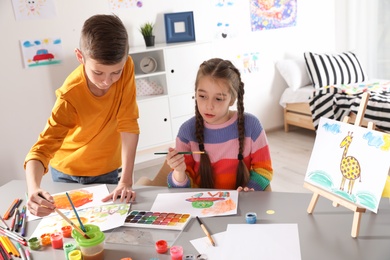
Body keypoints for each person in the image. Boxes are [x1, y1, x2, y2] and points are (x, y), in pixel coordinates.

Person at [24, 14, 139, 217]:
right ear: (80, 57)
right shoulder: (70, 96)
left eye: (115, 72)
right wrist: (33, 189)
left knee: (107, 227)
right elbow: (41, 150)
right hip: (67, 172)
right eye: (98, 72)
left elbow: (128, 122)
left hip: (107, 169)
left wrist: (126, 180)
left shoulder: (127, 66)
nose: (107, 81)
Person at [166, 58, 273, 191]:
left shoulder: (251, 126)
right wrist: (179, 171)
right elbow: (182, 189)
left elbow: (264, 170)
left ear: (232, 99)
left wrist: (249, 191)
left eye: (218, 99)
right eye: (202, 96)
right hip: (201, 206)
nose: (209, 106)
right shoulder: (187, 131)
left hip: (243, 204)